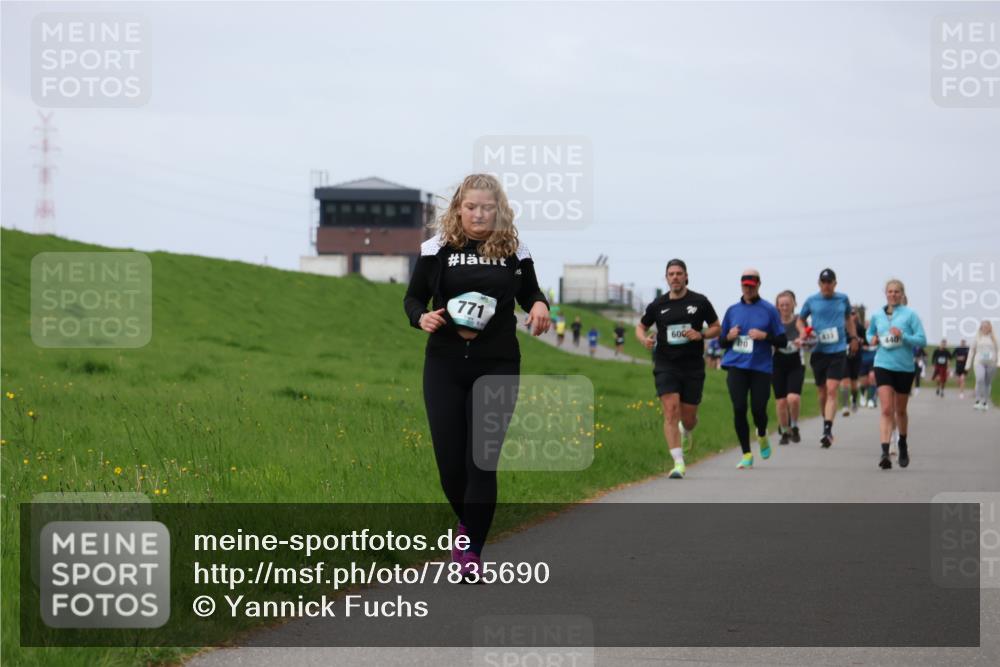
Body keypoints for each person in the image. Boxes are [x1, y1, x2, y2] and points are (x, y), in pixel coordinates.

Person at [403, 173, 550, 580]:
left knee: (481, 462)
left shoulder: (514, 250)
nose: (479, 214)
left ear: (498, 210)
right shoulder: (437, 249)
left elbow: (531, 293)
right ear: (458, 208)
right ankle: (470, 524)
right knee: (451, 467)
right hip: (445, 363)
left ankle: (470, 552)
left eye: (487, 207)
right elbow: (413, 298)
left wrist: (539, 306)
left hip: (497, 363)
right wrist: (422, 317)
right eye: (471, 207)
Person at [636, 259, 721, 479]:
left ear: (686, 276)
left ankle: (687, 430)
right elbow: (640, 326)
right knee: (671, 410)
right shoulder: (658, 305)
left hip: (692, 366)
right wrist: (643, 339)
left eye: (679, 273)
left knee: (689, 418)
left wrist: (701, 334)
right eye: (671, 274)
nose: (675, 277)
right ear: (666, 278)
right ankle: (678, 463)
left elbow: (716, 328)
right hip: (666, 364)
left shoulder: (700, 302)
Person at [719, 270, 786, 468]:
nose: (747, 289)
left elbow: (782, 340)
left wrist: (765, 336)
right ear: (741, 286)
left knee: (758, 410)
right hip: (736, 365)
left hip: (761, 368)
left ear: (758, 285)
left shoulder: (769, 310)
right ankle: (746, 453)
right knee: (739, 408)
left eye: (751, 285)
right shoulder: (732, 310)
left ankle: (762, 434)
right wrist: (729, 336)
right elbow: (721, 341)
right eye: (744, 285)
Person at [867, 279, 926, 470]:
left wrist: (904, 336)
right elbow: (869, 334)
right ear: (886, 293)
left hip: (904, 368)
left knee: (900, 411)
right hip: (883, 364)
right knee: (885, 409)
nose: (893, 294)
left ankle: (902, 443)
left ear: (902, 294)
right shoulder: (877, 315)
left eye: (896, 292)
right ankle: (884, 452)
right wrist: (873, 338)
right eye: (890, 291)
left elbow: (922, 340)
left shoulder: (910, 315)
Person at [797, 268, 858, 448]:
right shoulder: (811, 300)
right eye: (823, 282)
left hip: (838, 350)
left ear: (834, 284)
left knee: (832, 390)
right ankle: (826, 421)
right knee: (822, 392)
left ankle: (827, 430)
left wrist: (853, 337)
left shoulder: (843, 299)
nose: (826, 285)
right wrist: (802, 331)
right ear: (819, 283)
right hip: (818, 351)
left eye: (829, 282)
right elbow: (800, 319)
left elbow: (848, 319)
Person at [771, 290, 804, 444]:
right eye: (781, 305)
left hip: (795, 363)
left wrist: (801, 339)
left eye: (787, 304)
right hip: (777, 363)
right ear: (777, 306)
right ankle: (784, 432)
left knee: (793, 398)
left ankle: (794, 425)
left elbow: (804, 332)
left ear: (793, 305)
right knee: (781, 402)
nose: (784, 307)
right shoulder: (774, 322)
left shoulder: (797, 319)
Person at [840, 307, 866, 416]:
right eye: (849, 313)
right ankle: (845, 406)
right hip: (843, 357)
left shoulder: (859, 328)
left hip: (856, 357)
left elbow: (866, 341)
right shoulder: (841, 327)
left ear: (857, 315)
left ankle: (854, 401)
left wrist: (859, 340)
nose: (851, 315)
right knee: (845, 381)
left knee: (854, 383)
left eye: (853, 313)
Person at [968, 320, 999, 411]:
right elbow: (971, 350)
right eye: (983, 326)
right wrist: (968, 364)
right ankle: (977, 401)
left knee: (987, 383)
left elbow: (999, 350)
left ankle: (985, 402)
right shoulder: (977, 337)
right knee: (979, 379)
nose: (984, 328)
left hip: (991, 363)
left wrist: (999, 362)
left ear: (990, 328)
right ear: (981, 328)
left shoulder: (995, 338)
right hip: (979, 362)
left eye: (986, 326)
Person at [859, 326, 878, 408]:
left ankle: (871, 399)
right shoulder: (861, 335)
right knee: (864, 382)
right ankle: (863, 395)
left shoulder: (877, 336)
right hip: (863, 359)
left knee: (872, 377)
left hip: (874, 360)